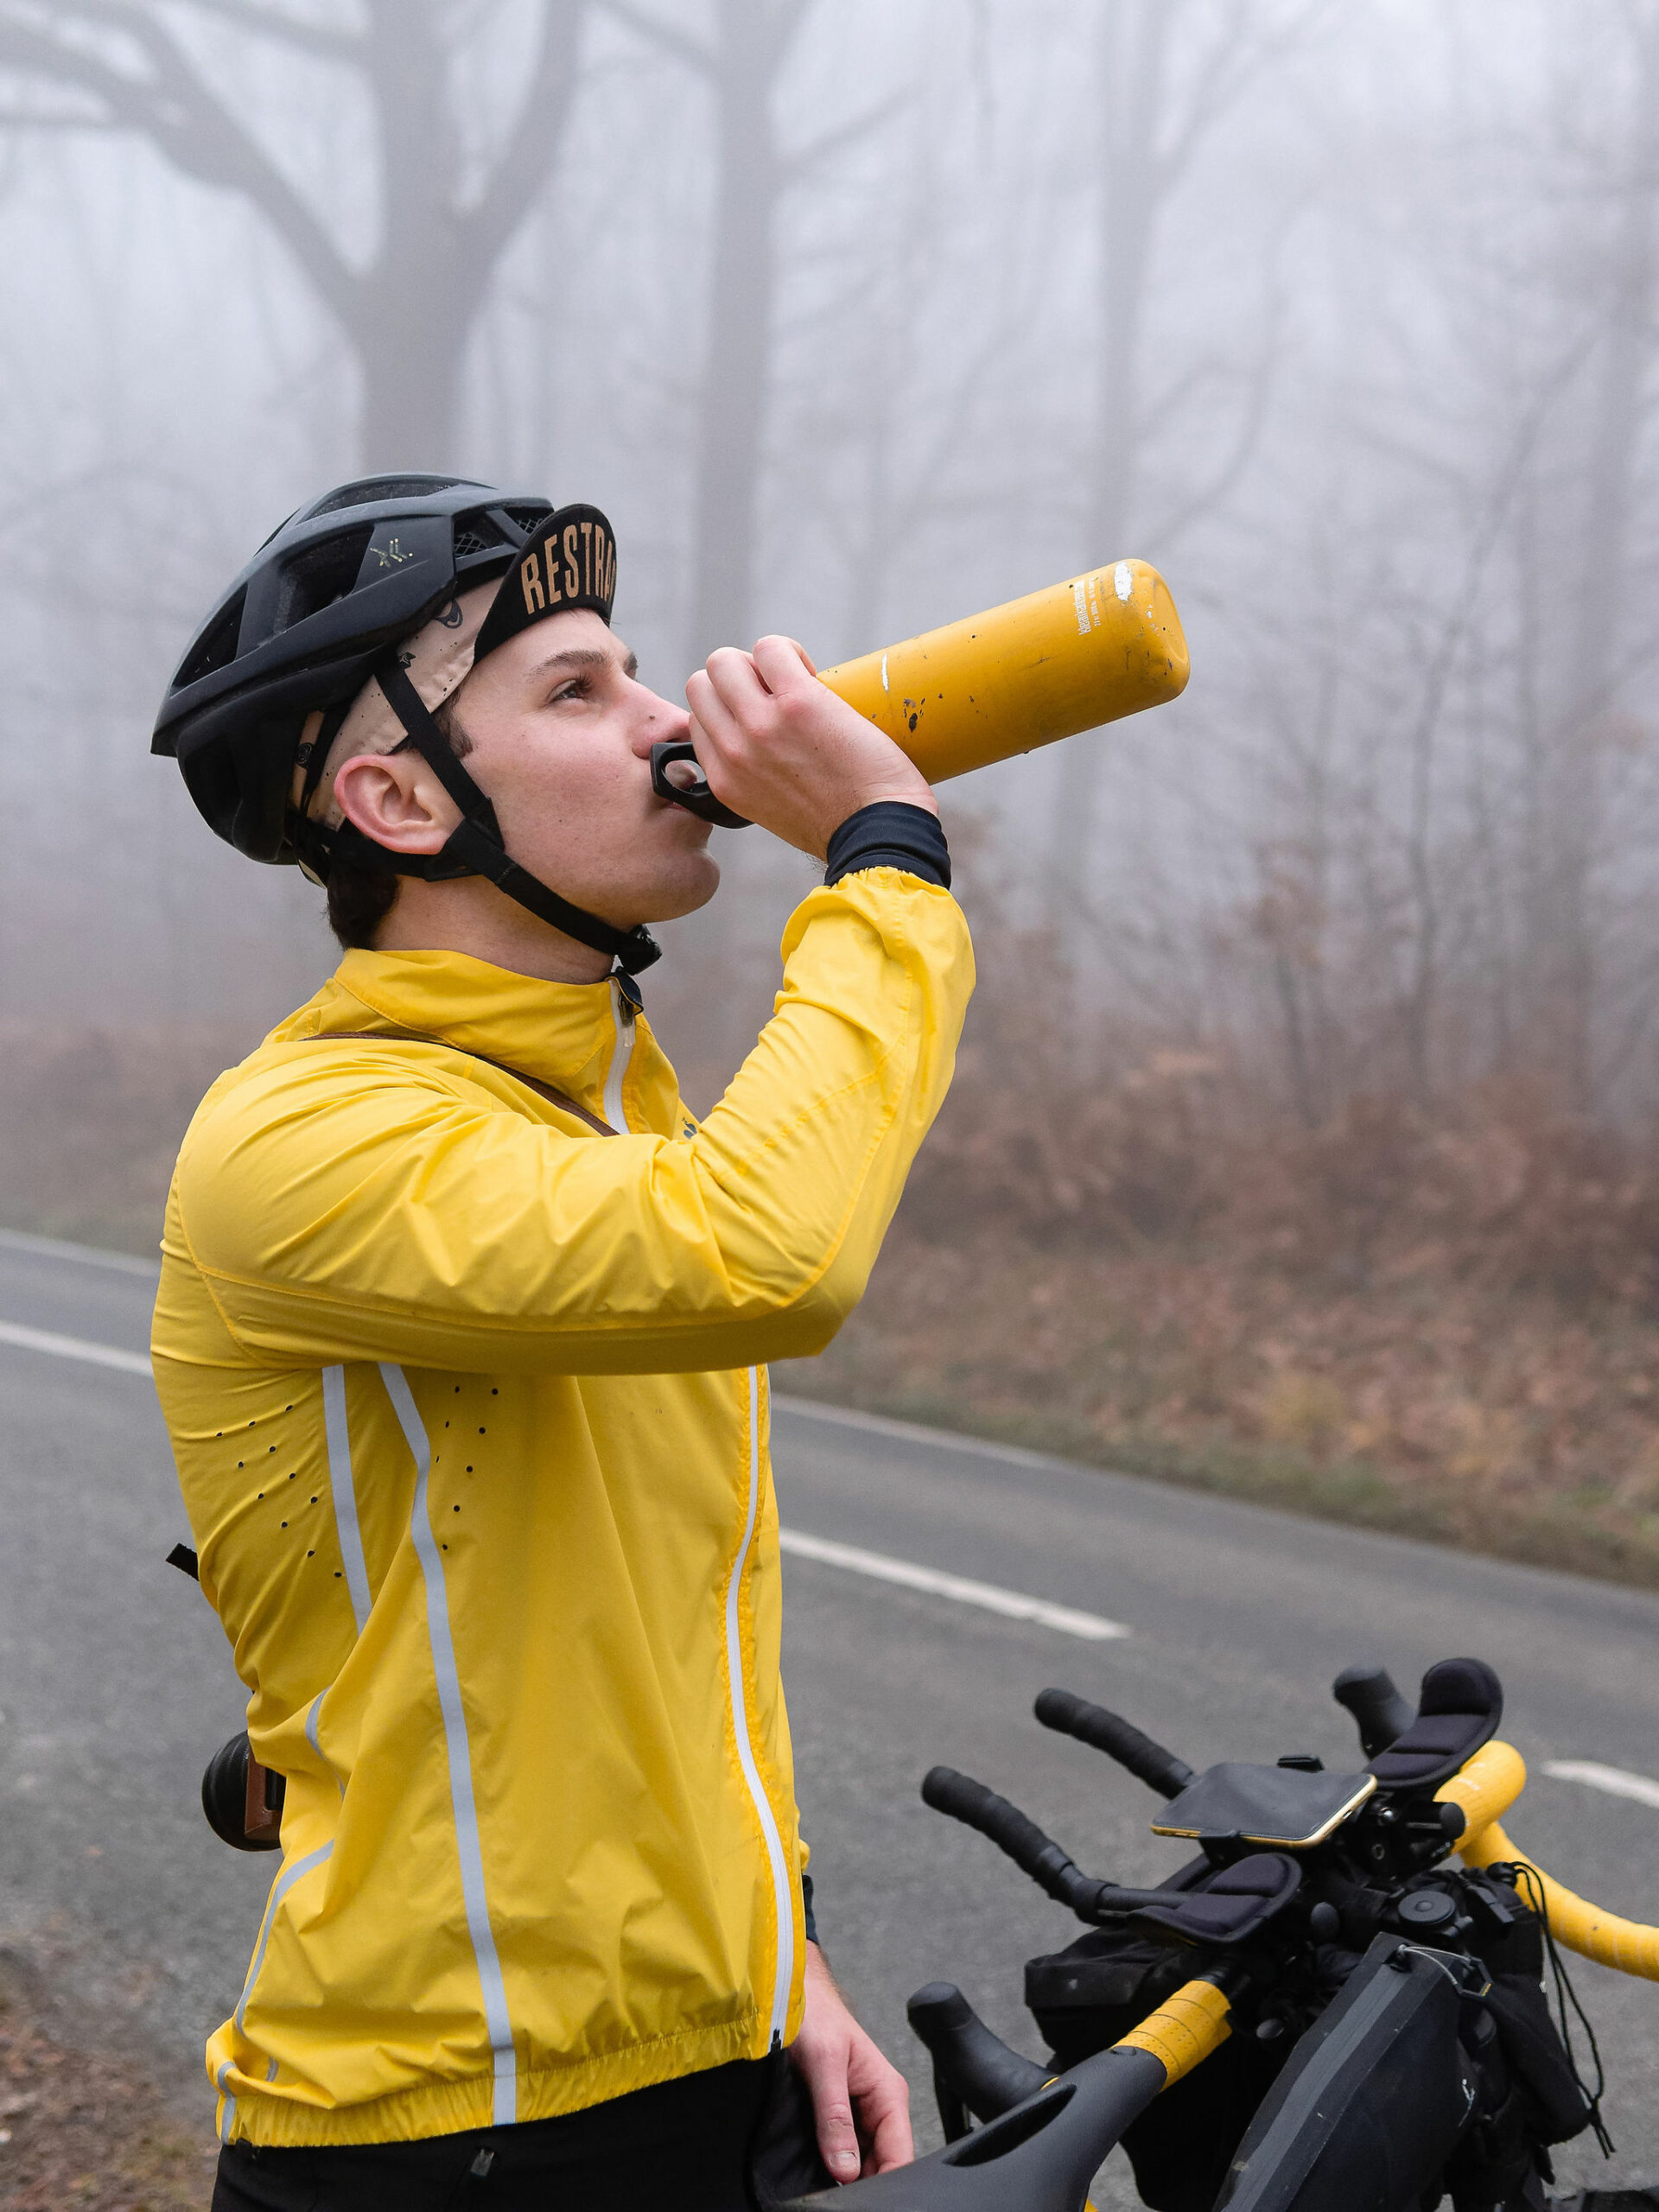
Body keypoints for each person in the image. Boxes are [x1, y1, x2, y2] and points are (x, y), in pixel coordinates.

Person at [149, 476, 974, 2211]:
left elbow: (645, 1647)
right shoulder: (300, 1136)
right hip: (446, 2129)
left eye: (635, 669)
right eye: (577, 690)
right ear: (394, 796)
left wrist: (786, 1965)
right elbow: (771, 1253)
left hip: (703, 2068)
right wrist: (883, 857)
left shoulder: (595, 1129)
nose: (671, 719)